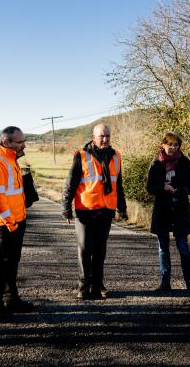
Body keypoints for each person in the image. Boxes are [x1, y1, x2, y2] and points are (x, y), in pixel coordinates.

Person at [62, 124, 128, 300]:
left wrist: (123, 207)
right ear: (93, 137)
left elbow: (118, 185)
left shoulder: (117, 156)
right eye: (101, 136)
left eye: (107, 135)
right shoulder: (81, 156)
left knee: (100, 251)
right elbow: (70, 184)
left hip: (106, 210)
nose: (105, 139)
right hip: (85, 211)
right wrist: (66, 208)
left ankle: (98, 286)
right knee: (84, 250)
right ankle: (83, 287)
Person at [0, 126, 34, 320]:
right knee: (1, 264)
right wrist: (11, 223)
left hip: (17, 221)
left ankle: (11, 299)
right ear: (7, 142)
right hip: (6, 224)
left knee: (12, 262)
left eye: (24, 141)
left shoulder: (11, 161)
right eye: (19, 142)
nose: (23, 145)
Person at [146, 132, 190, 294]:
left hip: (180, 210)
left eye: (176, 145)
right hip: (162, 211)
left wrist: (180, 190)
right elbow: (150, 188)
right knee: (163, 248)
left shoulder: (185, 162)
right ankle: (165, 282)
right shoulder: (155, 164)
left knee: (183, 247)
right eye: (170, 144)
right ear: (163, 145)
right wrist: (163, 187)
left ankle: (189, 283)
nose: (173, 147)